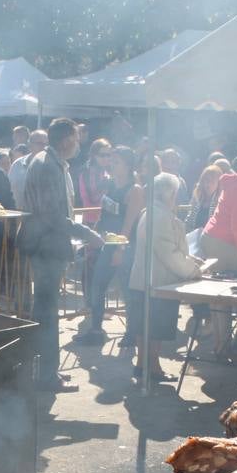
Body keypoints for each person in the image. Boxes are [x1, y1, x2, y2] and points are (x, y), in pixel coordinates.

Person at [21, 117, 104, 392]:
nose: (79, 144)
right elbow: (53, 215)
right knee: (46, 313)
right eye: (77, 138)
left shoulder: (50, 162)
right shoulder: (47, 165)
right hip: (46, 246)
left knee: (45, 310)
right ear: (67, 139)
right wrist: (86, 233)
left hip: (47, 245)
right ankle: (45, 376)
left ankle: (46, 372)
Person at [130, 172, 202, 382]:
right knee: (152, 328)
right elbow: (167, 252)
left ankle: (148, 367)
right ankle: (148, 368)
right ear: (170, 193)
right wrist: (193, 270)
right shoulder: (159, 216)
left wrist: (191, 261)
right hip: (156, 283)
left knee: (148, 329)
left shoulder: (154, 213)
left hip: (149, 281)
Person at [76, 146, 145, 343]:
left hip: (124, 247)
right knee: (97, 287)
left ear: (128, 165)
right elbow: (104, 213)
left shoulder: (135, 190)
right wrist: (93, 236)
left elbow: (128, 223)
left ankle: (131, 334)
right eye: (111, 161)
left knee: (127, 292)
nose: (111, 165)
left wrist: (120, 250)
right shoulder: (111, 184)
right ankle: (96, 331)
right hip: (106, 244)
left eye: (116, 162)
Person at [9, 129, 48, 209]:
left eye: (46, 144)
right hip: (19, 216)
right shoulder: (17, 164)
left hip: (44, 218)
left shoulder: (55, 165)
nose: (44, 147)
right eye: (40, 143)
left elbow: (70, 194)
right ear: (29, 145)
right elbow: (9, 190)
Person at [186, 164, 223, 232]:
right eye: (206, 180)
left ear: (219, 183)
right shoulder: (197, 195)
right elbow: (190, 219)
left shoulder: (221, 201)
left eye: (212, 181)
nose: (208, 183)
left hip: (211, 238)